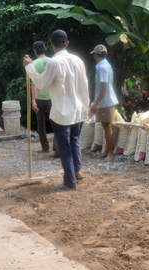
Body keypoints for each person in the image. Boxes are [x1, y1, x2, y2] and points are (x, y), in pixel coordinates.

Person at [23, 30, 88, 191]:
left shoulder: (54, 62)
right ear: (67, 43)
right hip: (78, 109)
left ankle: (69, 181)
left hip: (62, 112)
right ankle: (77, 172)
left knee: (64, 145)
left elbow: (41, 84)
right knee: (74, 141)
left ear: (51, 45)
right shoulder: (78, 60)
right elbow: (85, 84)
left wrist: (29, 67)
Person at [88, 44, 119, 162]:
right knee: (106, 126)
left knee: (107, 127)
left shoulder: (101, 67)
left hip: (105, 102)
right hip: (107, 100)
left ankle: (111, 153)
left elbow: (104, 87)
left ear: (96, 55)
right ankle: (107, 151)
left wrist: (96, 103)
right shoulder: (106, 65)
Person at [30, 41, 54, 153]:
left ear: (35, 51)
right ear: (45, 49)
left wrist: (33, 100)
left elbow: (33, 83)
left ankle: (45, 147)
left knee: (41, 124)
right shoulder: (52, 61)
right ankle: (56, 147)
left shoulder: (33, 64)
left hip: (39, 97)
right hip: (52, 97)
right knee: (56, 122)